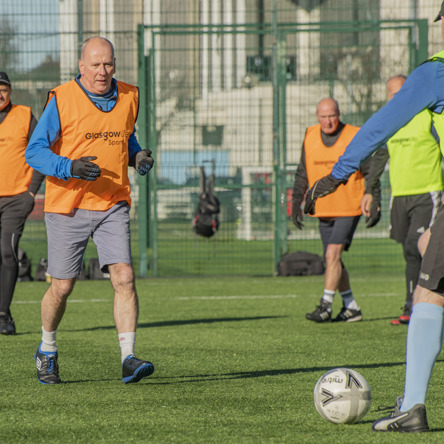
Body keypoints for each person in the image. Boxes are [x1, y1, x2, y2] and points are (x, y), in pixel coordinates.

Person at [303, 2, 444, 433]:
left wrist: (339, 173)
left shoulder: (436, 71)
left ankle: (414, 407)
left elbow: (381, 124)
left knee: (430, 295)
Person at [25, 36, 155, 385]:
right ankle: (47, 350)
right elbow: (34, 152)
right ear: (81, 66)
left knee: (124, 277)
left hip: (113, 202)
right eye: (95, 65)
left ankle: (128, 358)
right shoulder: (62, 98)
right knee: (63, 287)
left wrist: (138, 155)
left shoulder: (130, 95)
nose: (102, 71)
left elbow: (126, 137)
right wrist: (69, 167)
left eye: (109, 64)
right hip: (68, 206)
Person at [362, 75, 444, 326]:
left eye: (401, 93)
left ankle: (423, 303)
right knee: (409, 251)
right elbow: (378, 158)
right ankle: (412, 303)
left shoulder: (427, 116)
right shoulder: (391, 122)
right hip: (399, 195)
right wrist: (369, 190)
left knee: (418, 245)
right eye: (391, 94)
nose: (396, 98)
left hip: (427, 192)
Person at [291, 98, 379, 323]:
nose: (328, 121)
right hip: (322, 207)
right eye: (323, 117)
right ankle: (351, 307)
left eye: (332, 116)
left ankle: (325, 306)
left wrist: (372, 195)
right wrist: (296, 202)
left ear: (339, 113)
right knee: (333, 260)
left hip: (349, 206)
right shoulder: (310, 135)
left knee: (332, 255)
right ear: (316, 116)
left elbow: (371, 170)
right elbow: (303, 171)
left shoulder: (353, 135)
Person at [0, 72, 44, 335]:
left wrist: (31, 193)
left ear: (11, 92)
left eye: (3, 89)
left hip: (17, 198)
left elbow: (41, 151)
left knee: (7, 250)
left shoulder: (25, 115)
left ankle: (3, 316)